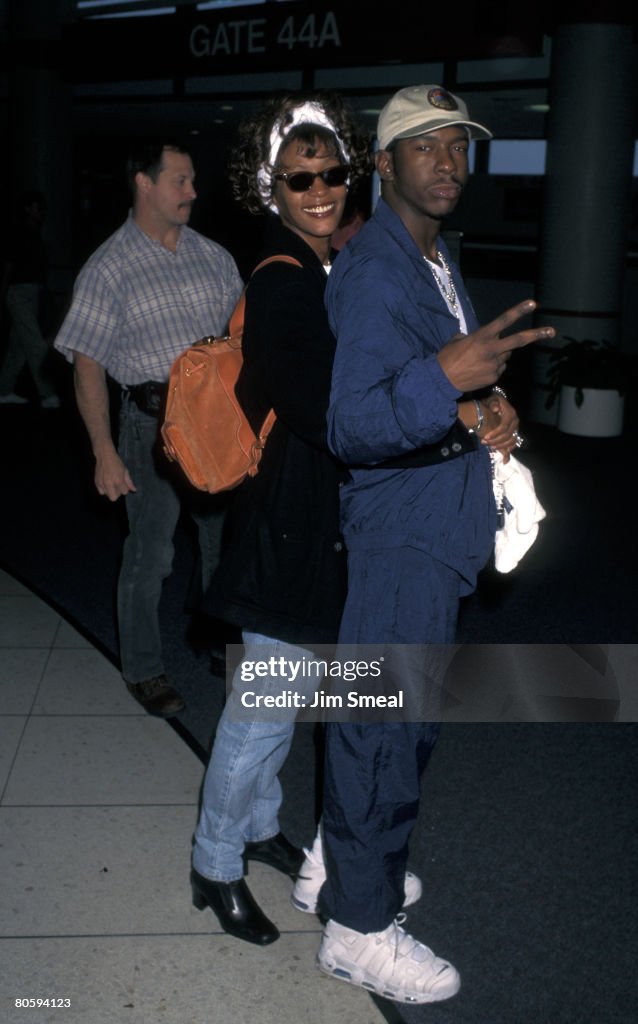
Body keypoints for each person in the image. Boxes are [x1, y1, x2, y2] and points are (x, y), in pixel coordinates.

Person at [316, 85, 556, 1003]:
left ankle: (348, 870)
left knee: (404, 726)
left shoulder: (433, 254)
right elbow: (352, 424)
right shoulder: (377, 268)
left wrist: (479, 408)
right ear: (383, 166)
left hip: (436, 523)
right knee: (383, 729)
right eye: (425, 148)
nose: (449, 161)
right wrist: (446, 380)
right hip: (400, 534)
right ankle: (358, 928)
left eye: (459, 145)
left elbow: (432, 394)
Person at [189, 93, 371, 946]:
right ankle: (214, 863)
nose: (321, 188)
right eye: (301, 178)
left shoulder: (319, 265)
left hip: (303, 524)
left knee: (280, 701)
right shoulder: (283, 279)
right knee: (260, 712)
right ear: (273, 187)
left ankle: (258, 824)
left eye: (332, 170)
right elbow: (313, 402)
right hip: (285, 528)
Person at [54, 142, 242, 717]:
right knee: (151, 555)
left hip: (215, 424)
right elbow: (86, 362)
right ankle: (143, 668)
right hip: (150, 428)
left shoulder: (212, 255)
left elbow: (241, 335)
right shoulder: (109, 266)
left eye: (192, 180)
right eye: (181, 180)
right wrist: (103, 451)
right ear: (144, 183)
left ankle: (219, 645)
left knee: (222, 547)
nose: (192, 191)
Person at [0, 190, 60, 407]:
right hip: (18, 293)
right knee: (36, 344)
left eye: (41, 207)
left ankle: (4, 390)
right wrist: (4, 294)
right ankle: (47, 394)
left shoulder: (35, 234)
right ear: (27, 208)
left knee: (18, 346)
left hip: (32, 293)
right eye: (36, 206)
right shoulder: (19, 233)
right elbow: (9, 266)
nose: (40, 211)